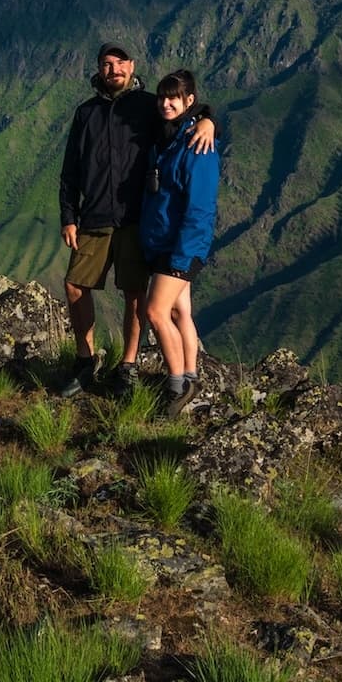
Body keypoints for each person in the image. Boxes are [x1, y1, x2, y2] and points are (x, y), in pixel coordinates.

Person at [58, 43, 215, 397]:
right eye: (105, 64)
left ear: (132, 67)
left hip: (136, 219)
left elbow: (182, 113)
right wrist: (69, 216)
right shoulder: (86, 113)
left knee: (133, 294)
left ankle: (127, 365)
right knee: (74, 285)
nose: (112, 70)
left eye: (118, 64)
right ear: (99, 70)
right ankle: (85, 361)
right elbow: (70, 169)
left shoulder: (148, 106)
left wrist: (209, 119)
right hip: (94, 216)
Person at [139, 69, 220, 417]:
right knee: (180, 310)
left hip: (181, 247)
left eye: (175, 98)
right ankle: (191, 375)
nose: (166, 103)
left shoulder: (197, 145)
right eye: (162, 97)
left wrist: (182, 256)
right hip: (164, 242)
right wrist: (207, 117)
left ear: (190, 101)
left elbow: (201, 207)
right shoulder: (169, 136)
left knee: (155, 312)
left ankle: (176, 386)